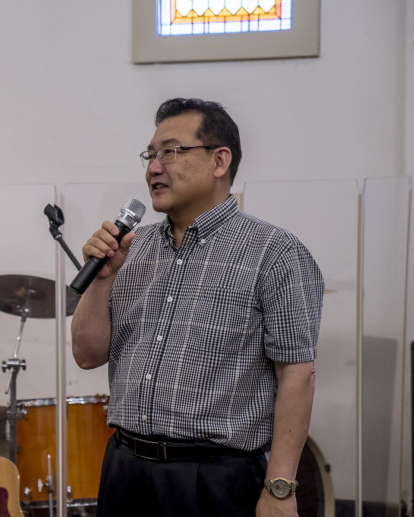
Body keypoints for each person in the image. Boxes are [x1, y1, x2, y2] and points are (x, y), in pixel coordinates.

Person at [71, 98, 324, 516]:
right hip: (125, 468)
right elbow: (87, 354)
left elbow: (297, 373)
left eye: (170, 151)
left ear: (219, 161)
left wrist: (280, 489)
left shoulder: (274, 252)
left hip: (216, 479)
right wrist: (101, 281)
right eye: (149, 155)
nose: (154, 168)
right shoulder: (131, 249)